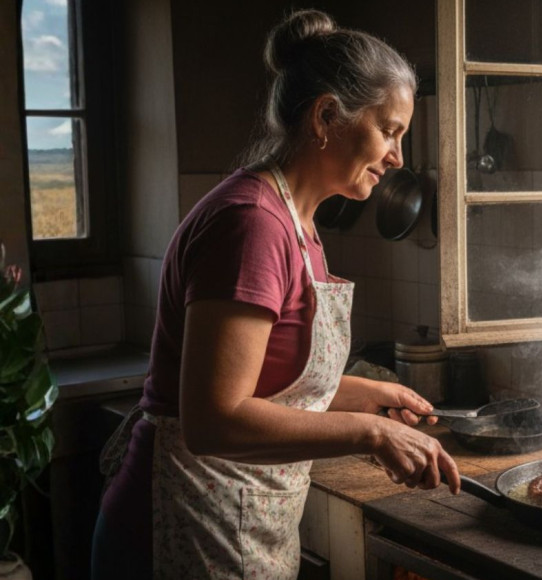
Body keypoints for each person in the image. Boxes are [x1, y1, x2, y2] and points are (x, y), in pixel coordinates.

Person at [91, 10, 460, 579]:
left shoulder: (299, 223)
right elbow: (214, 418)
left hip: (228, 514)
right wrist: (370, 431)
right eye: (389, 130)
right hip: (180, 524)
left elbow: (267, 380)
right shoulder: (253, 223)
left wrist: (367, 395)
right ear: (327, 116)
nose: (398, 158)